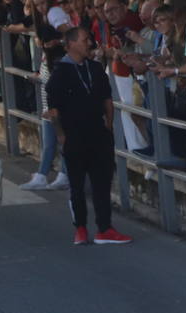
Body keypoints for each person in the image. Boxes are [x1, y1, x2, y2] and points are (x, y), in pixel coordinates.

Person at [46, 27, 133, 246]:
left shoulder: (95, 69)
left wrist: (109, 127)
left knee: (101, 182)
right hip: (74, 134)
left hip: (98, 132)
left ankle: (105, 228)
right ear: (72, 44)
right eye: (85, 40)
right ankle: (81, 228)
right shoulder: (59, 73)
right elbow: (54, 110)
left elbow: (107, 100)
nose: (89, 43)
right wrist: (61, 136)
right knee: (76, 183)